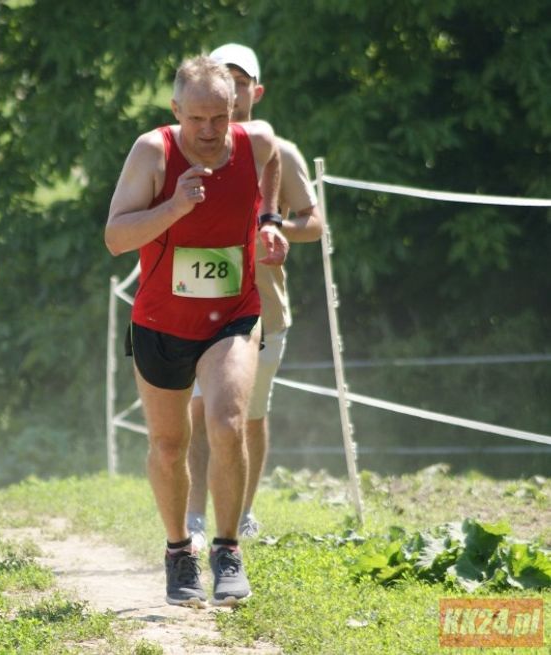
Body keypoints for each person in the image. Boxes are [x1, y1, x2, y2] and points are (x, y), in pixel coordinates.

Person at [104, 55, 288, 607]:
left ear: (235, 105)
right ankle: (178, 550)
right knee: (168, 444)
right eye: (197, 120)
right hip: (161, 321)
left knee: (228, 421)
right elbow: (115, 237)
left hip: (233, 314)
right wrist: (176, 205)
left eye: (219, 116)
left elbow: (273, 155)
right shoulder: (153, 152)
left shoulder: (252, 143)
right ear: (176, 110)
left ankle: (227, 549)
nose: (209, 131)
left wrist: (269, 221)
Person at [186, 44, 325, 549]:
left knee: (250, 416)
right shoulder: (187, 148)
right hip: (197, 307)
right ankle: (195, 518)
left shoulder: (278, 151)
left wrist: (271, 227)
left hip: (263, 310)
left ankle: (242, 512)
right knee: (201, 412)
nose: (234, 90)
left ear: (255, 92)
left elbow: (315, 223)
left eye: (241, 83)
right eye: (225, 79)